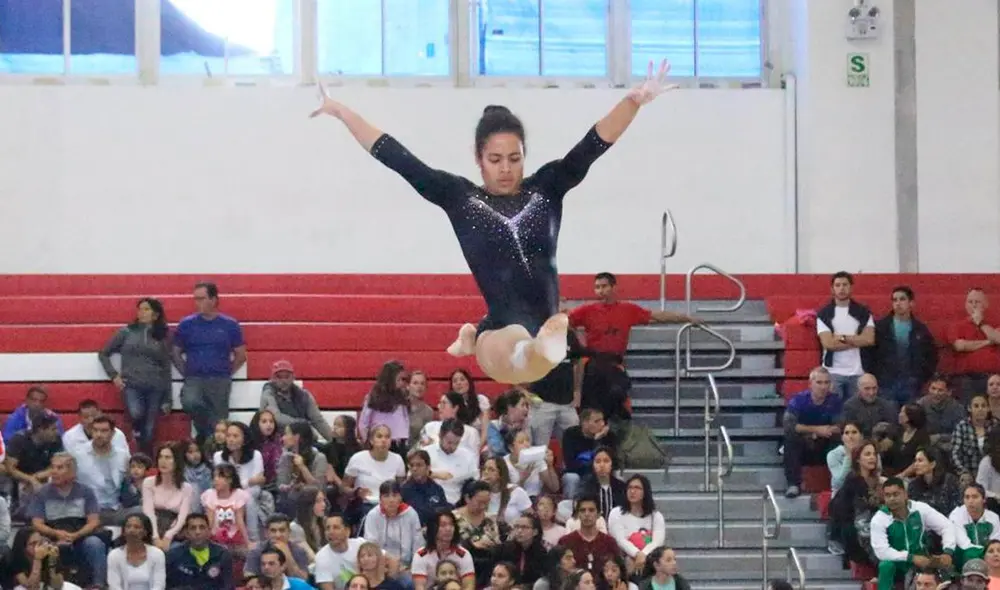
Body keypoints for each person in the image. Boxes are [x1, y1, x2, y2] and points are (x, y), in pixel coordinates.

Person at [309, 60, 678, 385]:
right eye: (496, 159)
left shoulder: (547, 188)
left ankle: (515, 340)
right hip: (500, 335)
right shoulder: (460, 198)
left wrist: (635, 101)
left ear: (525, 156)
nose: (505, 169)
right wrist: (341, 112)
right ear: (478, 158)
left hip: (543, 321)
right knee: (517, 351)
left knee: (535, 354)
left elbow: (594, 143)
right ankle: (509, 342)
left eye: (514, 158)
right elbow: (395, 156)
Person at [98, 297, 173, 454]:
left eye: (146, 309)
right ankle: (136, 439)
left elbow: (166, 367)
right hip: (132, 385)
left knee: (150, 428)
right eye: (140, 309)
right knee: (136, 413)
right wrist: (114, 376)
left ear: (156, 314)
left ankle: (145, 458)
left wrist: (168, 398)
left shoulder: (163, 336)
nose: (142, 312)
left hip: (156, 386)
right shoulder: (126, 332)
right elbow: (104, 353)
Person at [107, 513, 167, 590]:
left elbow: (159, 586)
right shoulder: (114, 555)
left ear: (145, 532)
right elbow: (114, 586)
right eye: (128, 527)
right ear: (123, 531)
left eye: (137, 527)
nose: (132, 530)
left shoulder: (157, 554)